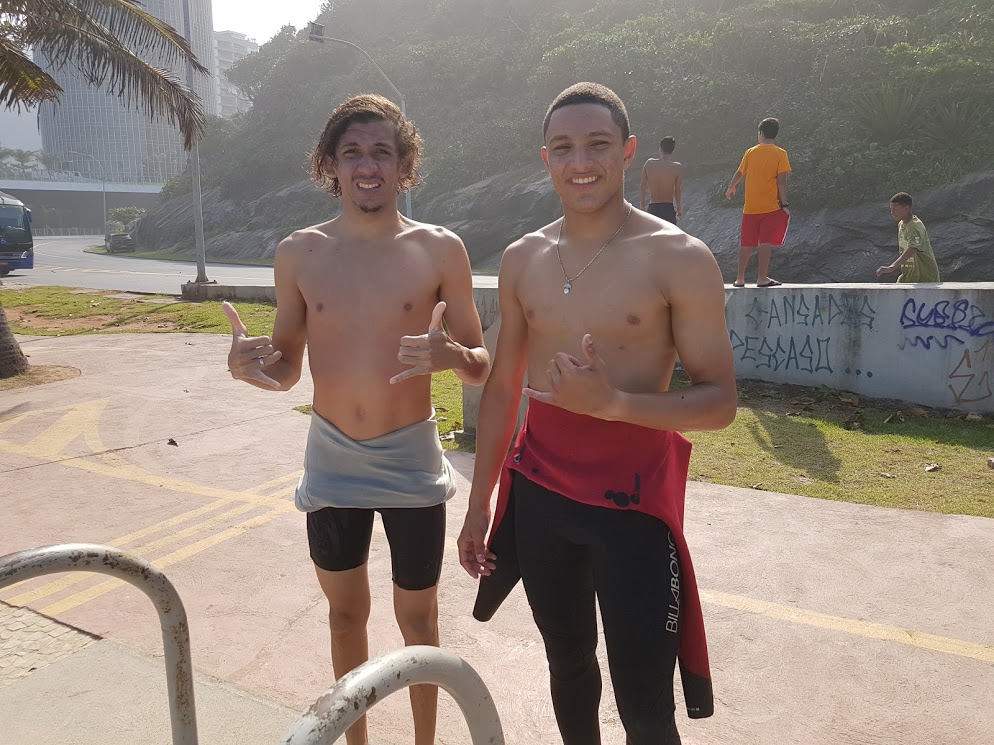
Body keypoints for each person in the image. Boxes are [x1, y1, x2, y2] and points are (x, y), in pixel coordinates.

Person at [457, 82, 737, 745]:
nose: (580, 162)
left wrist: (613, 403)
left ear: (628, 151)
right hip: (542, 496)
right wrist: (478, 504)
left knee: (645, 703)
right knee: (568, 664)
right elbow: (503, 387)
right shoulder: (523, 258)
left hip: (633, 506)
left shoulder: (679, 258)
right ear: (545, 159)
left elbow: (720, 401)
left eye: (598, 145)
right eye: (563, 148)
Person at [224, 94, 489, 745]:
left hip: (411, 458)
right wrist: (248, 367)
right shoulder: (300, 252)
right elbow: (287, 367)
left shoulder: (440, 249)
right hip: (333, 457)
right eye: (352, 153)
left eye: (381, 152)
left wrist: (451, 355)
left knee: (419, 623)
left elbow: (481, 365)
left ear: (404, 165)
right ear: (331, 165)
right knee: (345, 618)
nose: (367, 165)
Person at [725, 117, 791, 287]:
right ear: (775, 134)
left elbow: (740, 172)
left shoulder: (750, 152)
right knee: (765, 242)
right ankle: (762, 278)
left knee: (746, 242)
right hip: (770, 206)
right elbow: (781, 182)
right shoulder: (780, 153)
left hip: (750, 207)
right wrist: (784, 204)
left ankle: (740, 278)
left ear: (760, 133)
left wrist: (732, 187)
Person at [876, 192, 940, 283]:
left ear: (907, 208)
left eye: (895, 209)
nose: (892, 213)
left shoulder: (915, 225)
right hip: (909, 276)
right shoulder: (901, 224)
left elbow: (912, 249)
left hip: (925, 277)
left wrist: (892, 267)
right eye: (891, 209)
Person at [640, 136, 683, 223]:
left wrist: (642, 206)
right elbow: (677, 190)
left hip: (653, 208)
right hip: (668, 209)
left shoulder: (649, 163)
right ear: (673, 150)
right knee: (669, 232)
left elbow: (643, 186)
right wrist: (679, 208)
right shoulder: (677, 167)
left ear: (660, 149)